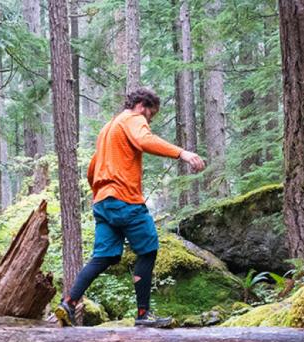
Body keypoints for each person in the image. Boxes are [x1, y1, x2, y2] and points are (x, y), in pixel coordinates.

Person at [54, 88, 206, 328]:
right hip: (125, 199)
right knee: (148, 249)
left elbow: (92, 169)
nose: (148, 121)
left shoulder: (108, 128)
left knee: (104, 257)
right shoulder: (133, 119)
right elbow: (144, 140)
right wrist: (182, 153)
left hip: (103, 202)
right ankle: (143, 314)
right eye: (150, 116)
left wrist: (101, 192)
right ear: (142, 106)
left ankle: (69, 301)